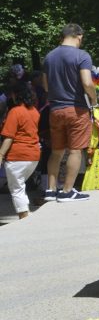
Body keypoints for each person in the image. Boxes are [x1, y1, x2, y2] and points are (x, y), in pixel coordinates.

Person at [41, 23, 98, 202]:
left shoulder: (49, 57)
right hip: (76, 110)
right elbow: (87, 83)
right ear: (79, 36)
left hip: (55, 109)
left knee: (56, 151)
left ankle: (50, 190)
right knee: (75, 151)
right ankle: (67, 191)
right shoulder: (82, 55)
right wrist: (94, 100)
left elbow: (45, 86)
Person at [0, 82, 41, 219]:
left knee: (17, 189)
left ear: (15, 95)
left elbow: (9, 137)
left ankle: (24, 218)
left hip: (17, 156)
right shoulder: (34, 111)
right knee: (20, 186)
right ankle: (26, 214)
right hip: (33, 156)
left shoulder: (15, 111)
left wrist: (0, 154)